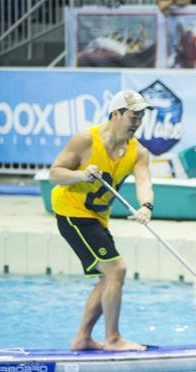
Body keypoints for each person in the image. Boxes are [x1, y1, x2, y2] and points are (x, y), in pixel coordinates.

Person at [49, 90, 155, 352]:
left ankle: (83, 338)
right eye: (133, 115)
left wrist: (146, 207)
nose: (138, 121)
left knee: (107, 278)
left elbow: (144, 182)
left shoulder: (138, 152)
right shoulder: (86, 140)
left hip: (97, 218)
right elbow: (55, 174)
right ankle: (113, 338)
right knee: (116, 269)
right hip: (72, 211)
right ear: (116, 114)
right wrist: (81, 175)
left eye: (141, 116)